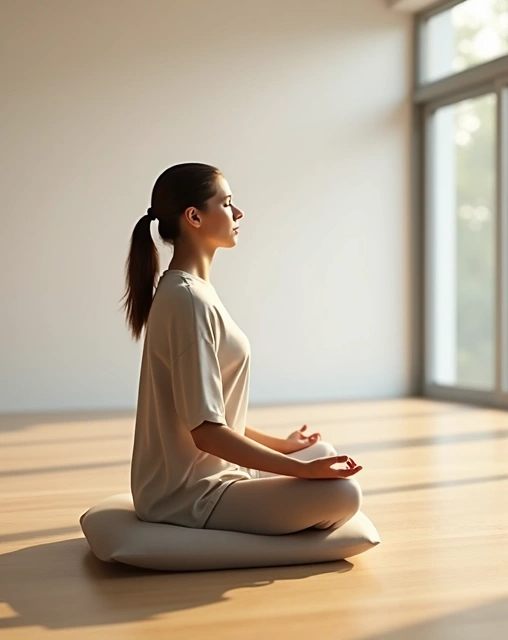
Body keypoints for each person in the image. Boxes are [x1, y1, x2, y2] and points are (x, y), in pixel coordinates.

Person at [122, 162, 364, 536]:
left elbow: (211, 413)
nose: (238, 213)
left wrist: (284, 447)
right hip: (189, 495)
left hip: (215, 473)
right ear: (194, 217)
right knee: (343, 494)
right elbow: (206, 432)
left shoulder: (193, 292)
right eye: (226, 203)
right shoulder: (187, 300)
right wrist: (301, 470)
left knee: (323, 452)